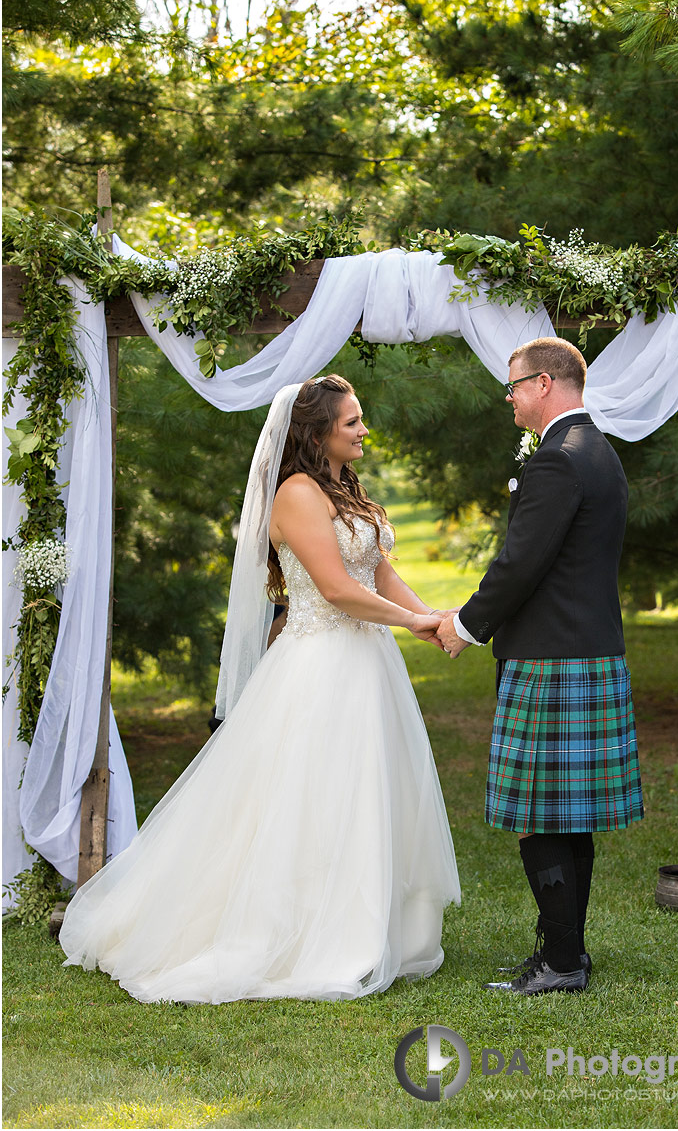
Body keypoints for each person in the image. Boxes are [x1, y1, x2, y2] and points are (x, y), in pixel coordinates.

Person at [61, 375, 460, 1004]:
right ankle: (301, 930)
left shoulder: (342, 486)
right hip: (320, 662)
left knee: (365, 789)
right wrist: (412, 621)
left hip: (367, 663)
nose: (363, 430)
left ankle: (373, 920)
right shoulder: (299, 494)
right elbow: (334, 588)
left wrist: (433, 618)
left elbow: (378, 569)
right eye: (352, 422)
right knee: (310, 794)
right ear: (317, 430)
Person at [436, 337, 643, 995]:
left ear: (547, 383)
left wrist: (464, 626)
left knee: (540, 811)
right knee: (565, 813)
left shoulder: (557, 460)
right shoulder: (597, 452)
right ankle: (567, 954)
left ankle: (559, 962)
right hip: (584, 651)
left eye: (516, 385)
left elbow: (519, 564)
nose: (510, 396)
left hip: (552, 658)